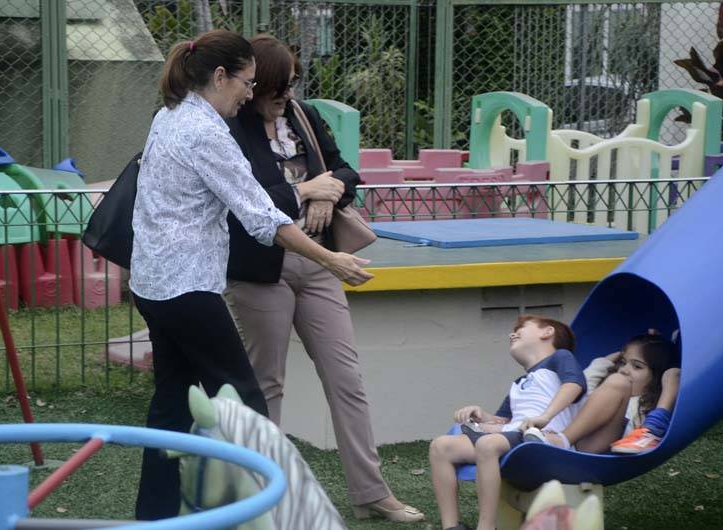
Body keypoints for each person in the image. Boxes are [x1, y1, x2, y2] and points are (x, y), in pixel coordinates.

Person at [130, 29, 372, 521]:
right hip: (186, 287)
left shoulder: (169, 115)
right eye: (247, 82)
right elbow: (263, 218)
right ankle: (267, 515)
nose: (249, 94)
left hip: (152, 283)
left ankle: (155, 516)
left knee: (173, 402)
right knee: (246, 408)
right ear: (220, 76)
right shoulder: (206, 133)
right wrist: (332, 260)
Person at [221, 35, 423, 523]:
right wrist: (307, 188)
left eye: (293, 84)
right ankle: (261, 497)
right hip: (260, 269)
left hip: (320, 262)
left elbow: (346, 172)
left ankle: (371, 493)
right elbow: (248, 199)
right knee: (267, 383)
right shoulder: (230, 125)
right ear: (257, 84)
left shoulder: (304, 116)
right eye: (279, 86)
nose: (287, 94)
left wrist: (327, 194)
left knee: (346, 377)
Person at [428, 315, 587, 530]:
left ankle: (486, 526)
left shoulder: (560, 357)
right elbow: (502, 421)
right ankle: (451, 526)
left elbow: (574, 384)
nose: (512, 334)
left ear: (547, 332)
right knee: (440, 447)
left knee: (487, 444)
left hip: (543, 437)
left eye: (521, 328)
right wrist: (481, 415)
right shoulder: (519, 383)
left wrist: (545, 416)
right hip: (514, 436)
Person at [524, 333, 681, 454]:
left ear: (657, 376)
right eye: (623, 362)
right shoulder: (610, 391)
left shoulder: (645, 405)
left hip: (597, 444)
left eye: (637, 366)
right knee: (596, 387)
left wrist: (669, 382)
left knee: (618, 381)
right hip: (574, 433)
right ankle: (557, 439)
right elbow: (581, 390)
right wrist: (605, 362)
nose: (624, 370)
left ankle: (562, 440)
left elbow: (653, 426)